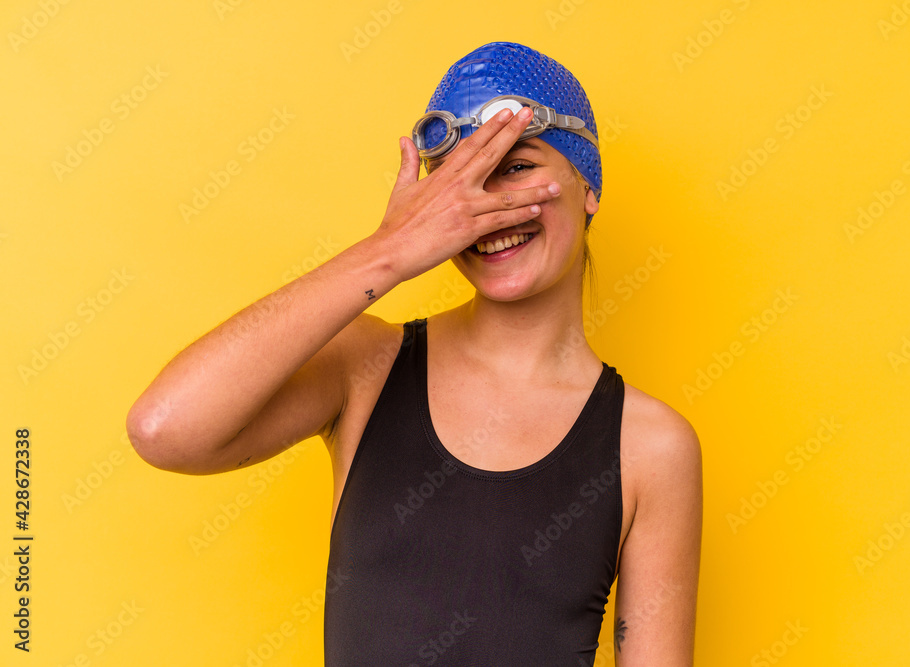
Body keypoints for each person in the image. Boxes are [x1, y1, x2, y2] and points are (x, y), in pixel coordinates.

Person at [126, 41, 702, 666]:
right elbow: (165, 429)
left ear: (586, 183)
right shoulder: (369, 366)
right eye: (459, 182)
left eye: (517, 167)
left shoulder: (649, 446)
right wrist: (390, 250)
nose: (487, 207)